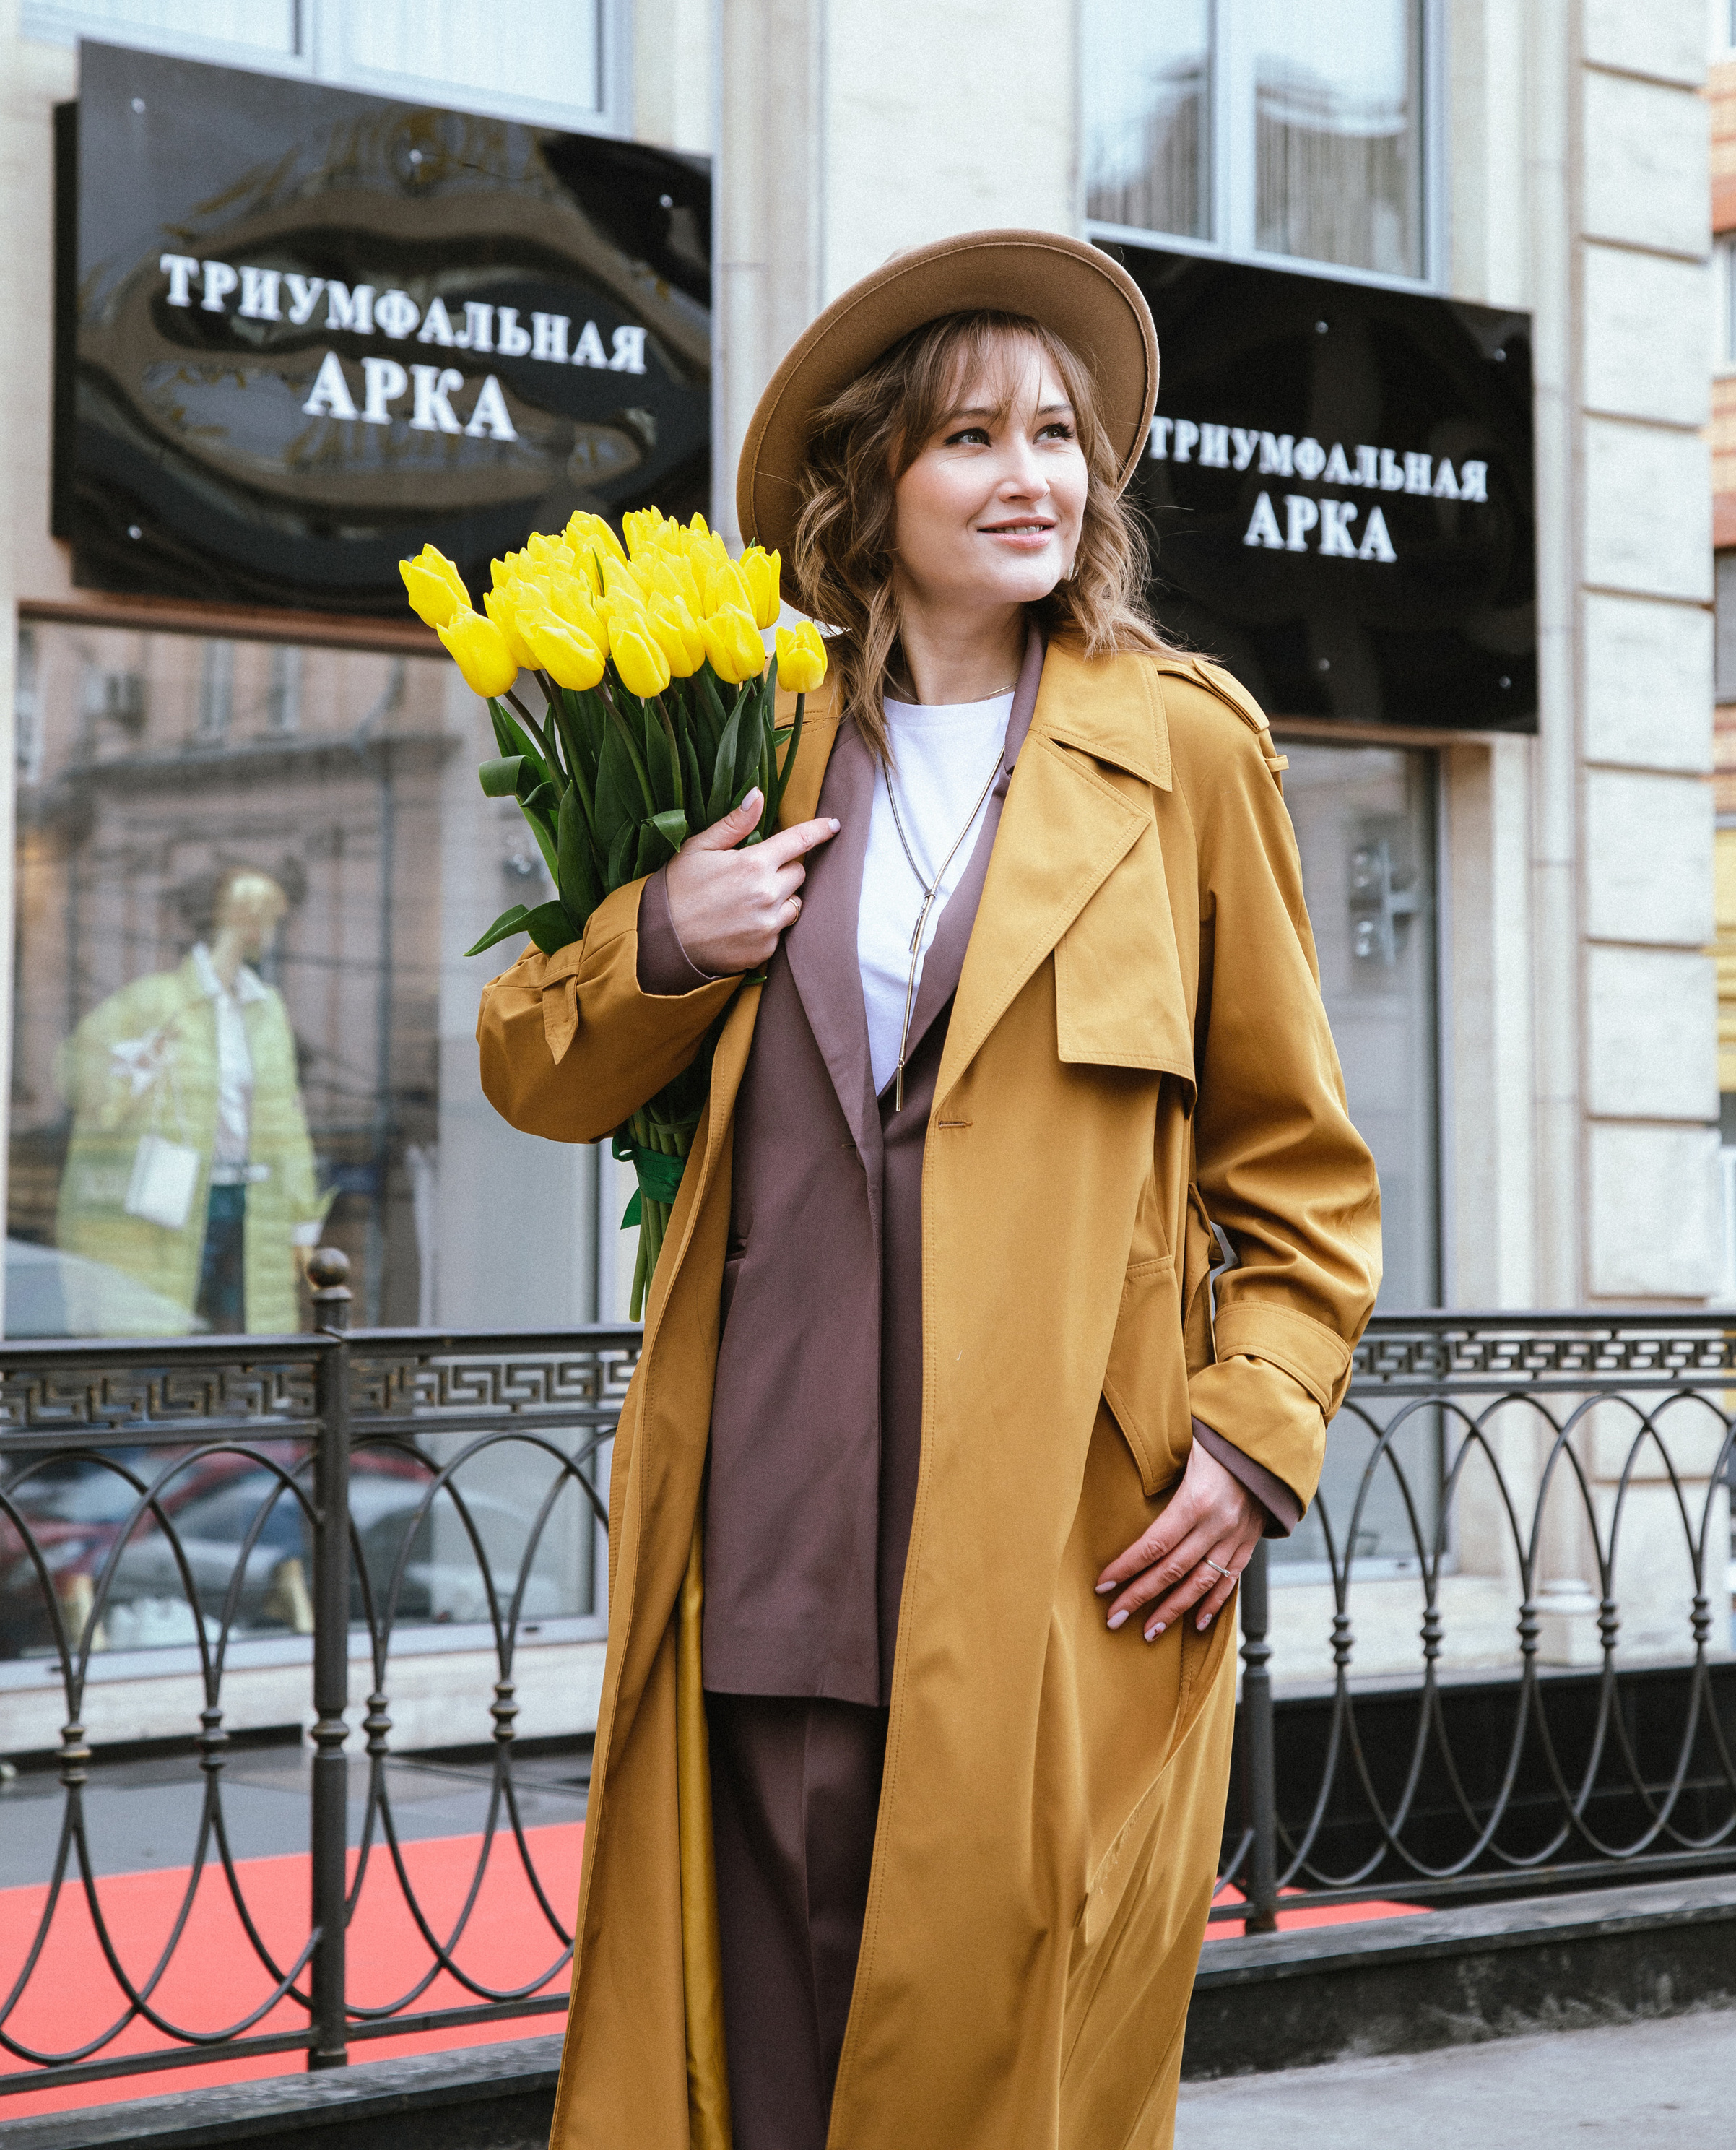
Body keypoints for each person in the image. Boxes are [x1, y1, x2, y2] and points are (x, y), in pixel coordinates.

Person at [478, 227, 1381, 2150]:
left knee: (1008, 2069)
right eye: (973, 436)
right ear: (874, 481)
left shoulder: (1186, 753)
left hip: (1066, 1549)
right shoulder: (737, 729)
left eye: (1058, 433)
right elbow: (533, 1073)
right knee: (758, 2068)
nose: (1031, 473)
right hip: (773, 1528)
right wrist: (660, 934)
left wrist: (1250, 1442)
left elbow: (1299, 1176)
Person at [55, 867, 324, 1335]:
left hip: (257, 1204)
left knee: (252, 1346)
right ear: (240, 919)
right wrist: (137, 1068)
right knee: (160, 1338)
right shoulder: (155, 1000)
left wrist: (303, 1218)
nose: (273, 933)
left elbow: (287, 1118)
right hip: (175, 1202)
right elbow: (78, 1076)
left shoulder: (268, 1008)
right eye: (268, 918)